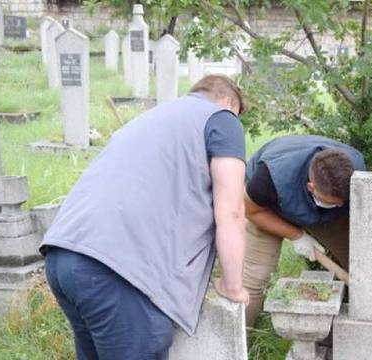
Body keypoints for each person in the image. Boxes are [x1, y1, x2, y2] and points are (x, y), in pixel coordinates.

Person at [40, 75, 249, 360]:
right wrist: (232, 286)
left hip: (63, 255)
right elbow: (232, 210)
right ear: (227, 103)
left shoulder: (153, 117)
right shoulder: (221, 119)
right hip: (115, 269)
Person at [243, 135, 365, 326]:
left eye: (342, 202)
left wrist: (334, 205)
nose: (340, 204)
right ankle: (240, 342)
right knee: (253, 281)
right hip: (266, 210)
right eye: (332, 201)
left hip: (326, 218)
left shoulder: (356, 171)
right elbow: (250, 209)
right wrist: (296, 235)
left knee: (359, 266)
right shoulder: (267, 178)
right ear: (311, 187)